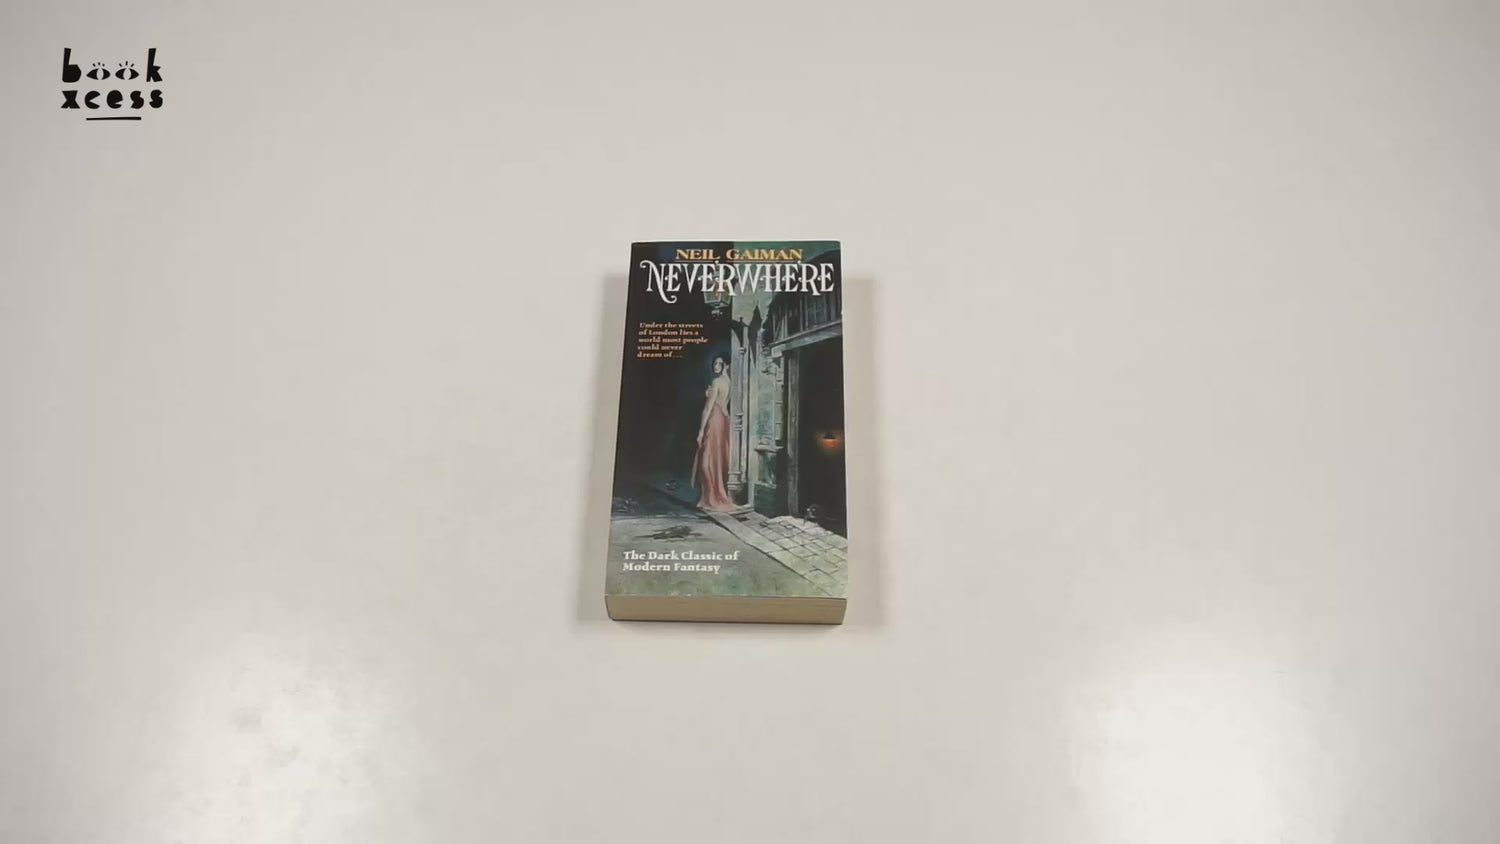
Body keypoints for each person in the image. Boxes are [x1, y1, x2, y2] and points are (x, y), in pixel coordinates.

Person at [692, 353, 735, 510]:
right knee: (718, 458)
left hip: (715, 420)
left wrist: (701, 431)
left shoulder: (717, 382)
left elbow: (708, 408)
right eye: (715, 364)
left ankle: (712, 497)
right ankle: (715, 494)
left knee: (707, 460)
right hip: (724, 420)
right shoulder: (730, 383)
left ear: (726, 365)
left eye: (719, 364)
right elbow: (725, 404)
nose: (716, 366)